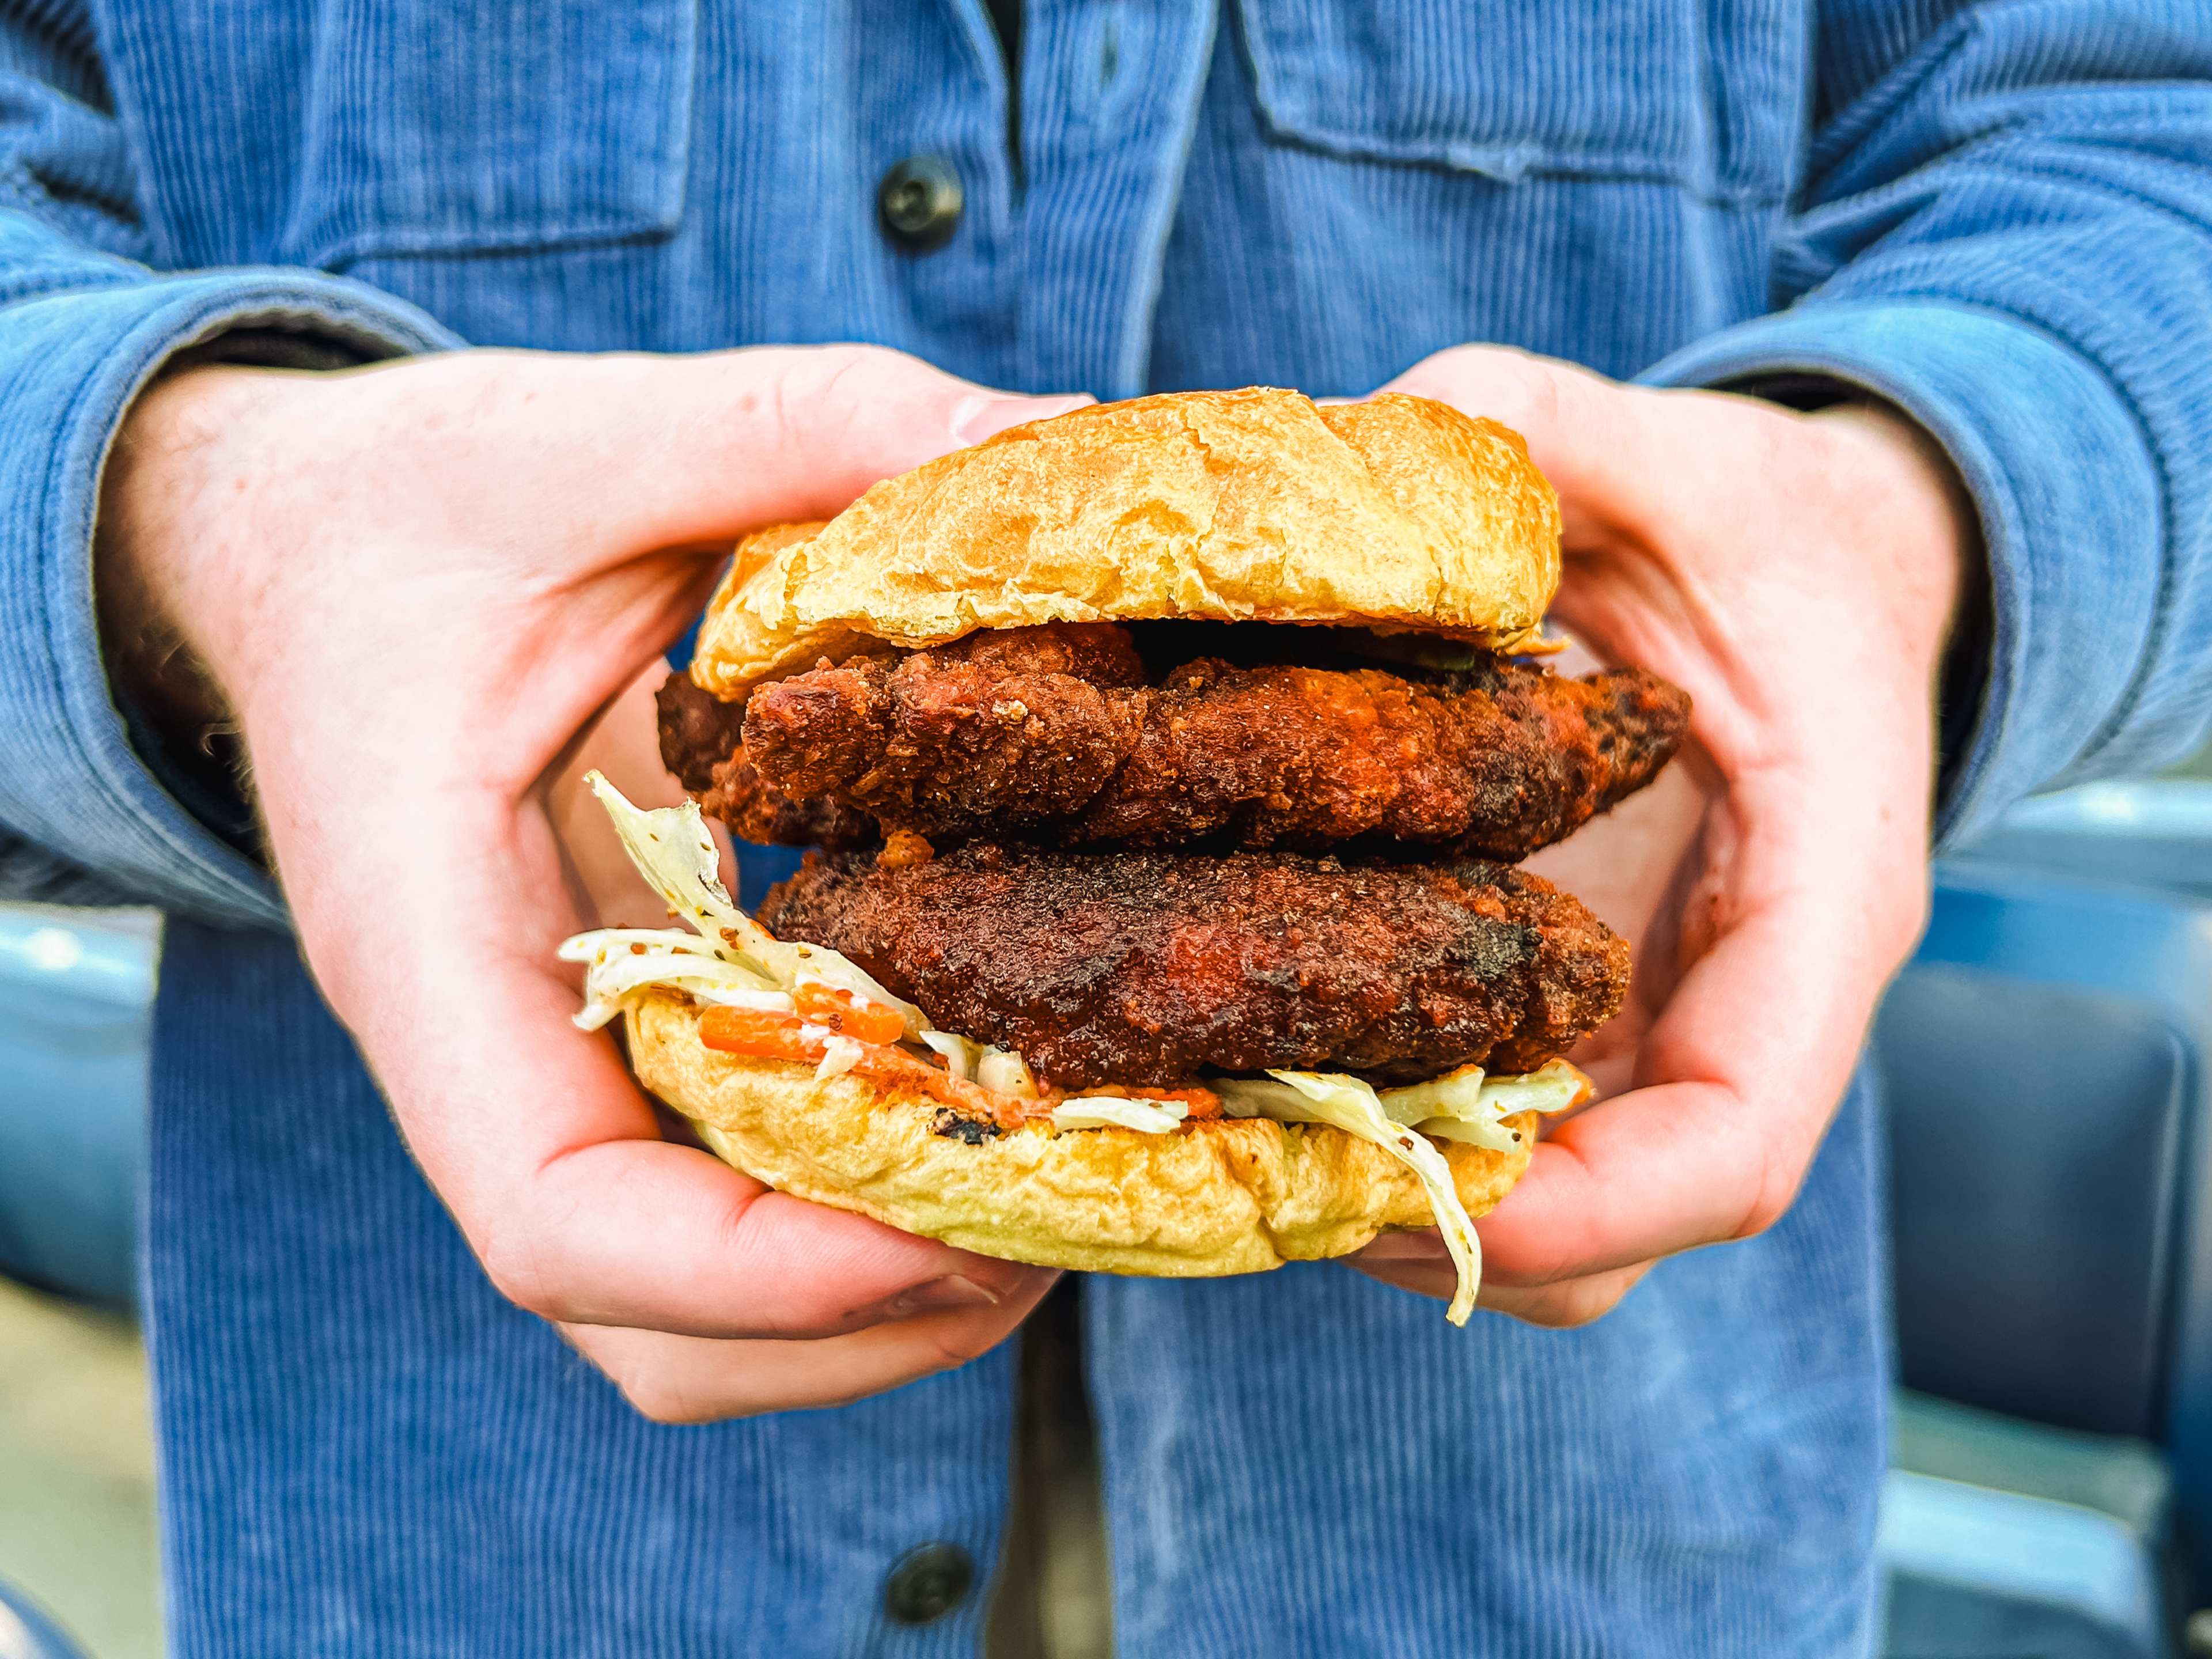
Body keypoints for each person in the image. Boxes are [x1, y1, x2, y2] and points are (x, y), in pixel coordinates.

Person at [3, 1, 2210, 1653]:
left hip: (1568, 1551)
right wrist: (187, 523)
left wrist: (1922, 502)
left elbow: (2142, 133)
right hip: (463, 1536)